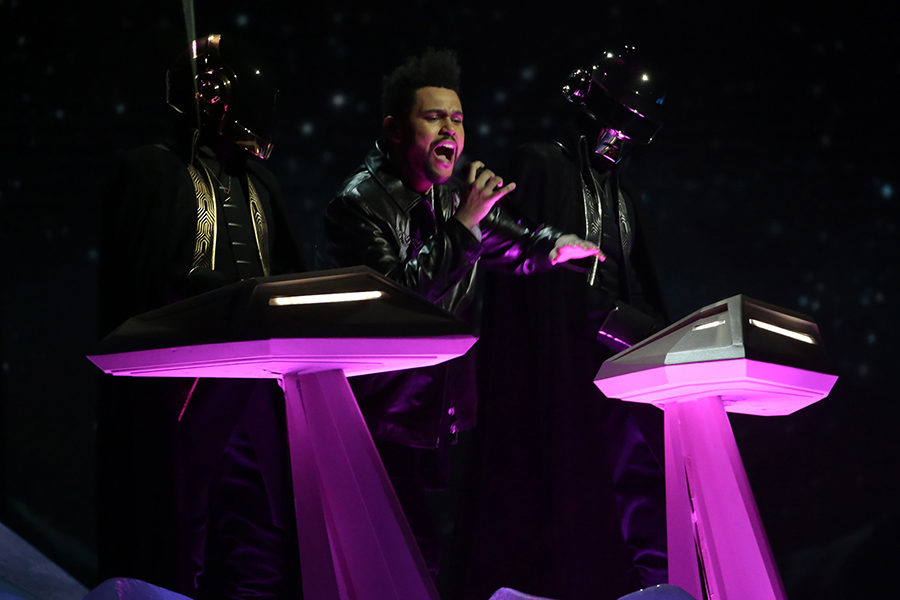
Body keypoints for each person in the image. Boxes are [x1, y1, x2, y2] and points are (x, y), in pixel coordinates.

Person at [322, 47, 601, 579]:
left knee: (436, 562)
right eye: (433, 117)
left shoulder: (451, 201)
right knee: (386, 562)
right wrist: (466, 223)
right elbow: (397, 301)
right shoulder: (359, 204)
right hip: (379, 420)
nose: (450, 128)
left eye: (457, 118)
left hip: (438, 416)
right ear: (395, 130)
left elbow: (506, 242)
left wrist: (553, 245)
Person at [448, 45, 671, 600]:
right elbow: (519, 275)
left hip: (614, 367)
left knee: (631, 484)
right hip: (553, 365)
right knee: (550, 488)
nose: (619, 139)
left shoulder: (622, 193)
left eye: (632, 128)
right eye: (618, 122)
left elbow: (634, 278)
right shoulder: (542, 164)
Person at [97, 34, 304, 599]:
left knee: (261, 521)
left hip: (259, 386)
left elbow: (285, 273)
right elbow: (137, 286)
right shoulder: (151, 173)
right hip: (184, 384)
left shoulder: (261, 181)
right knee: (180, 519)